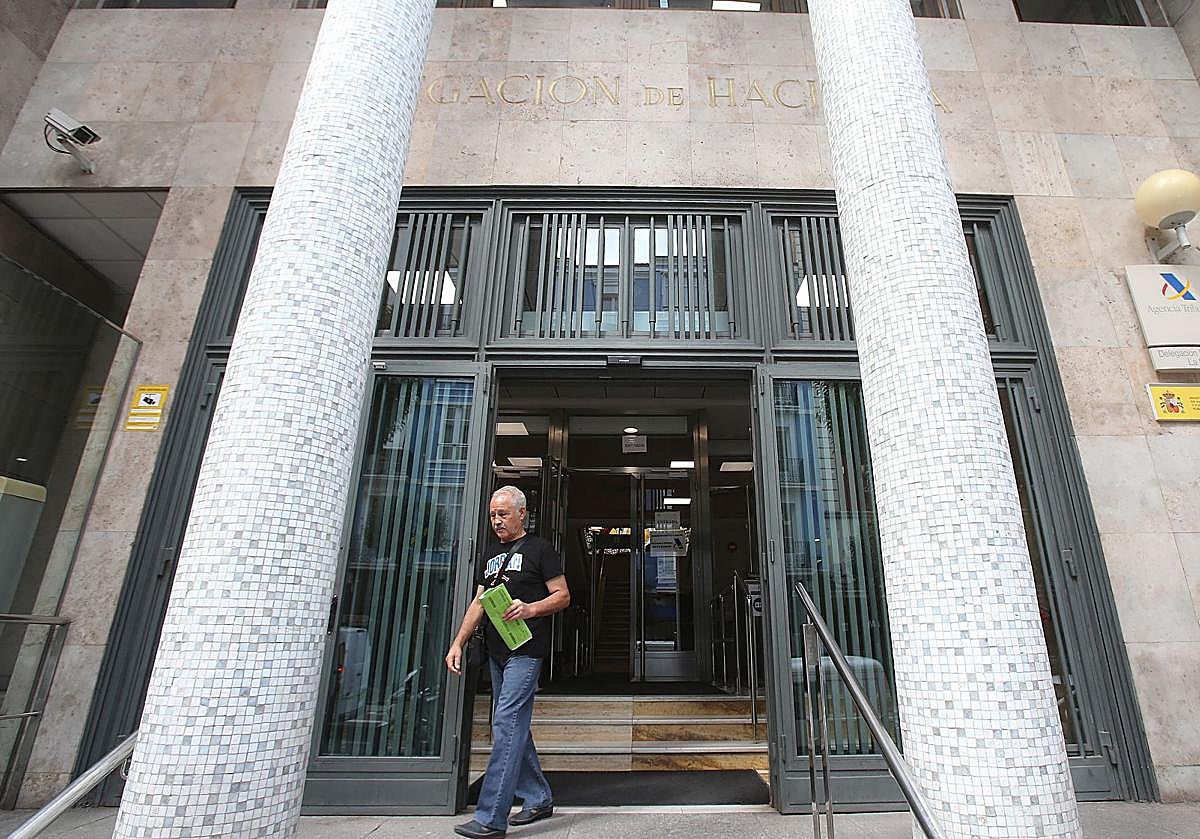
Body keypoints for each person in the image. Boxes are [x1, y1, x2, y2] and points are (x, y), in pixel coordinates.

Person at [446, 485, 570, 839]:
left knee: (505, 723)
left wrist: (531, 609)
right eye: (492, 515)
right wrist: (458, 642)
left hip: (526, 651)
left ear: (522, 513)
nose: (496, 520)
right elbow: (479, 603)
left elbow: (562, 595)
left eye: (503, 514)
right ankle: (538, 797)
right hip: (497, 652)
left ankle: (490, 817)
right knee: (512, 724)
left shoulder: (540, 549)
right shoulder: (490, 554)